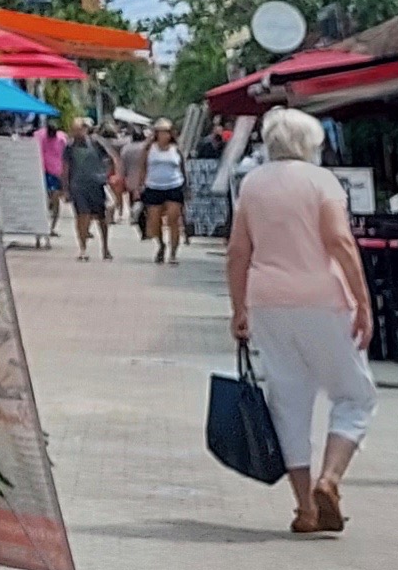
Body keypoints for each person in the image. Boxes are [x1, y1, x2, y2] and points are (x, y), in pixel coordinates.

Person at [224, 104, 376, 535]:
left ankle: (304, 508)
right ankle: (330, 480)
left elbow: (238, 252)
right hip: (324, 299)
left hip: (268, 302)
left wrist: (239, 308)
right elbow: (340, 242)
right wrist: (363, 303)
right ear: (311, 144)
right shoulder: (321, 181)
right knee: (355, 395)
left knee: (288, 401)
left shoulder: (252, 184)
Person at [64, 117, 115, 256]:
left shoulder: (96, 143)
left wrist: (106, 174)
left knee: (102, 218)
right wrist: (66, 189)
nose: (77, 133)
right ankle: (83, 248)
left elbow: (110, 159)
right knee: (82, 215)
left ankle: (105, 247)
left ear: (85, 129)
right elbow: (66, 168)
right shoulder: (69, 147)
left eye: (79, 130)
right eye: (74, 130)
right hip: (78, 186)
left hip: (96, 184)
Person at [140, 119, 188, 263]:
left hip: (174, 185)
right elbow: (143, 167)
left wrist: (186, 185)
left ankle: (173, 253)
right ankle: (161, 245)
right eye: (161, 132)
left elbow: (182, 168)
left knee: (173, 220)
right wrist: (139, 185)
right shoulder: (149, 149)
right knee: (154, 221)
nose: (164, 135)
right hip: (154, 186)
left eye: (166, 132)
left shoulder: (176, 149)